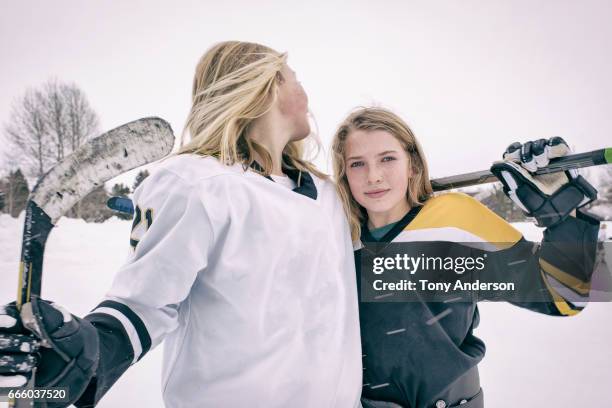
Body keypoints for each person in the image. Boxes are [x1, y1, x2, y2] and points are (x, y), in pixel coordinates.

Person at [0, 41, 362, 407]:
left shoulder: (329, 193)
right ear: (265, 87)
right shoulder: (197, 184)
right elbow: (145, 302)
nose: (305, 90)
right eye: (294, 78)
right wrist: (91, 350)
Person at [331, 107, 600, 408]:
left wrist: (562, 216)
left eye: (387, 159)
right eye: (357, 164)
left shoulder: (455, 221)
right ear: (343, 173)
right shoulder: (336, 235)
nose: (374, 176)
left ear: (413, 165)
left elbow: (562, 295)